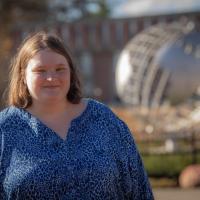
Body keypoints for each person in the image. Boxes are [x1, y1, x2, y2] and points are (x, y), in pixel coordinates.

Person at [0, 31, 154, 200]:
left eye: (60, 69)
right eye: (40, 70)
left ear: (71, 72)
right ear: (23, 75)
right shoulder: (5, 129)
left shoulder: (104, 120)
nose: (51, 78)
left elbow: (139, 188)